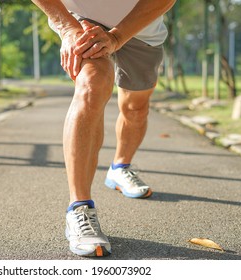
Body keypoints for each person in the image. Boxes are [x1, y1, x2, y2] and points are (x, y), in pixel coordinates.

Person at [31, 0, 176, 257]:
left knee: (135, 108)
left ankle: (120, 168)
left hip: (141, 25)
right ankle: (80, 208)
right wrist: (68, 28)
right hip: (82, 18)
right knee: (92, 85)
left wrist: (117, 37)